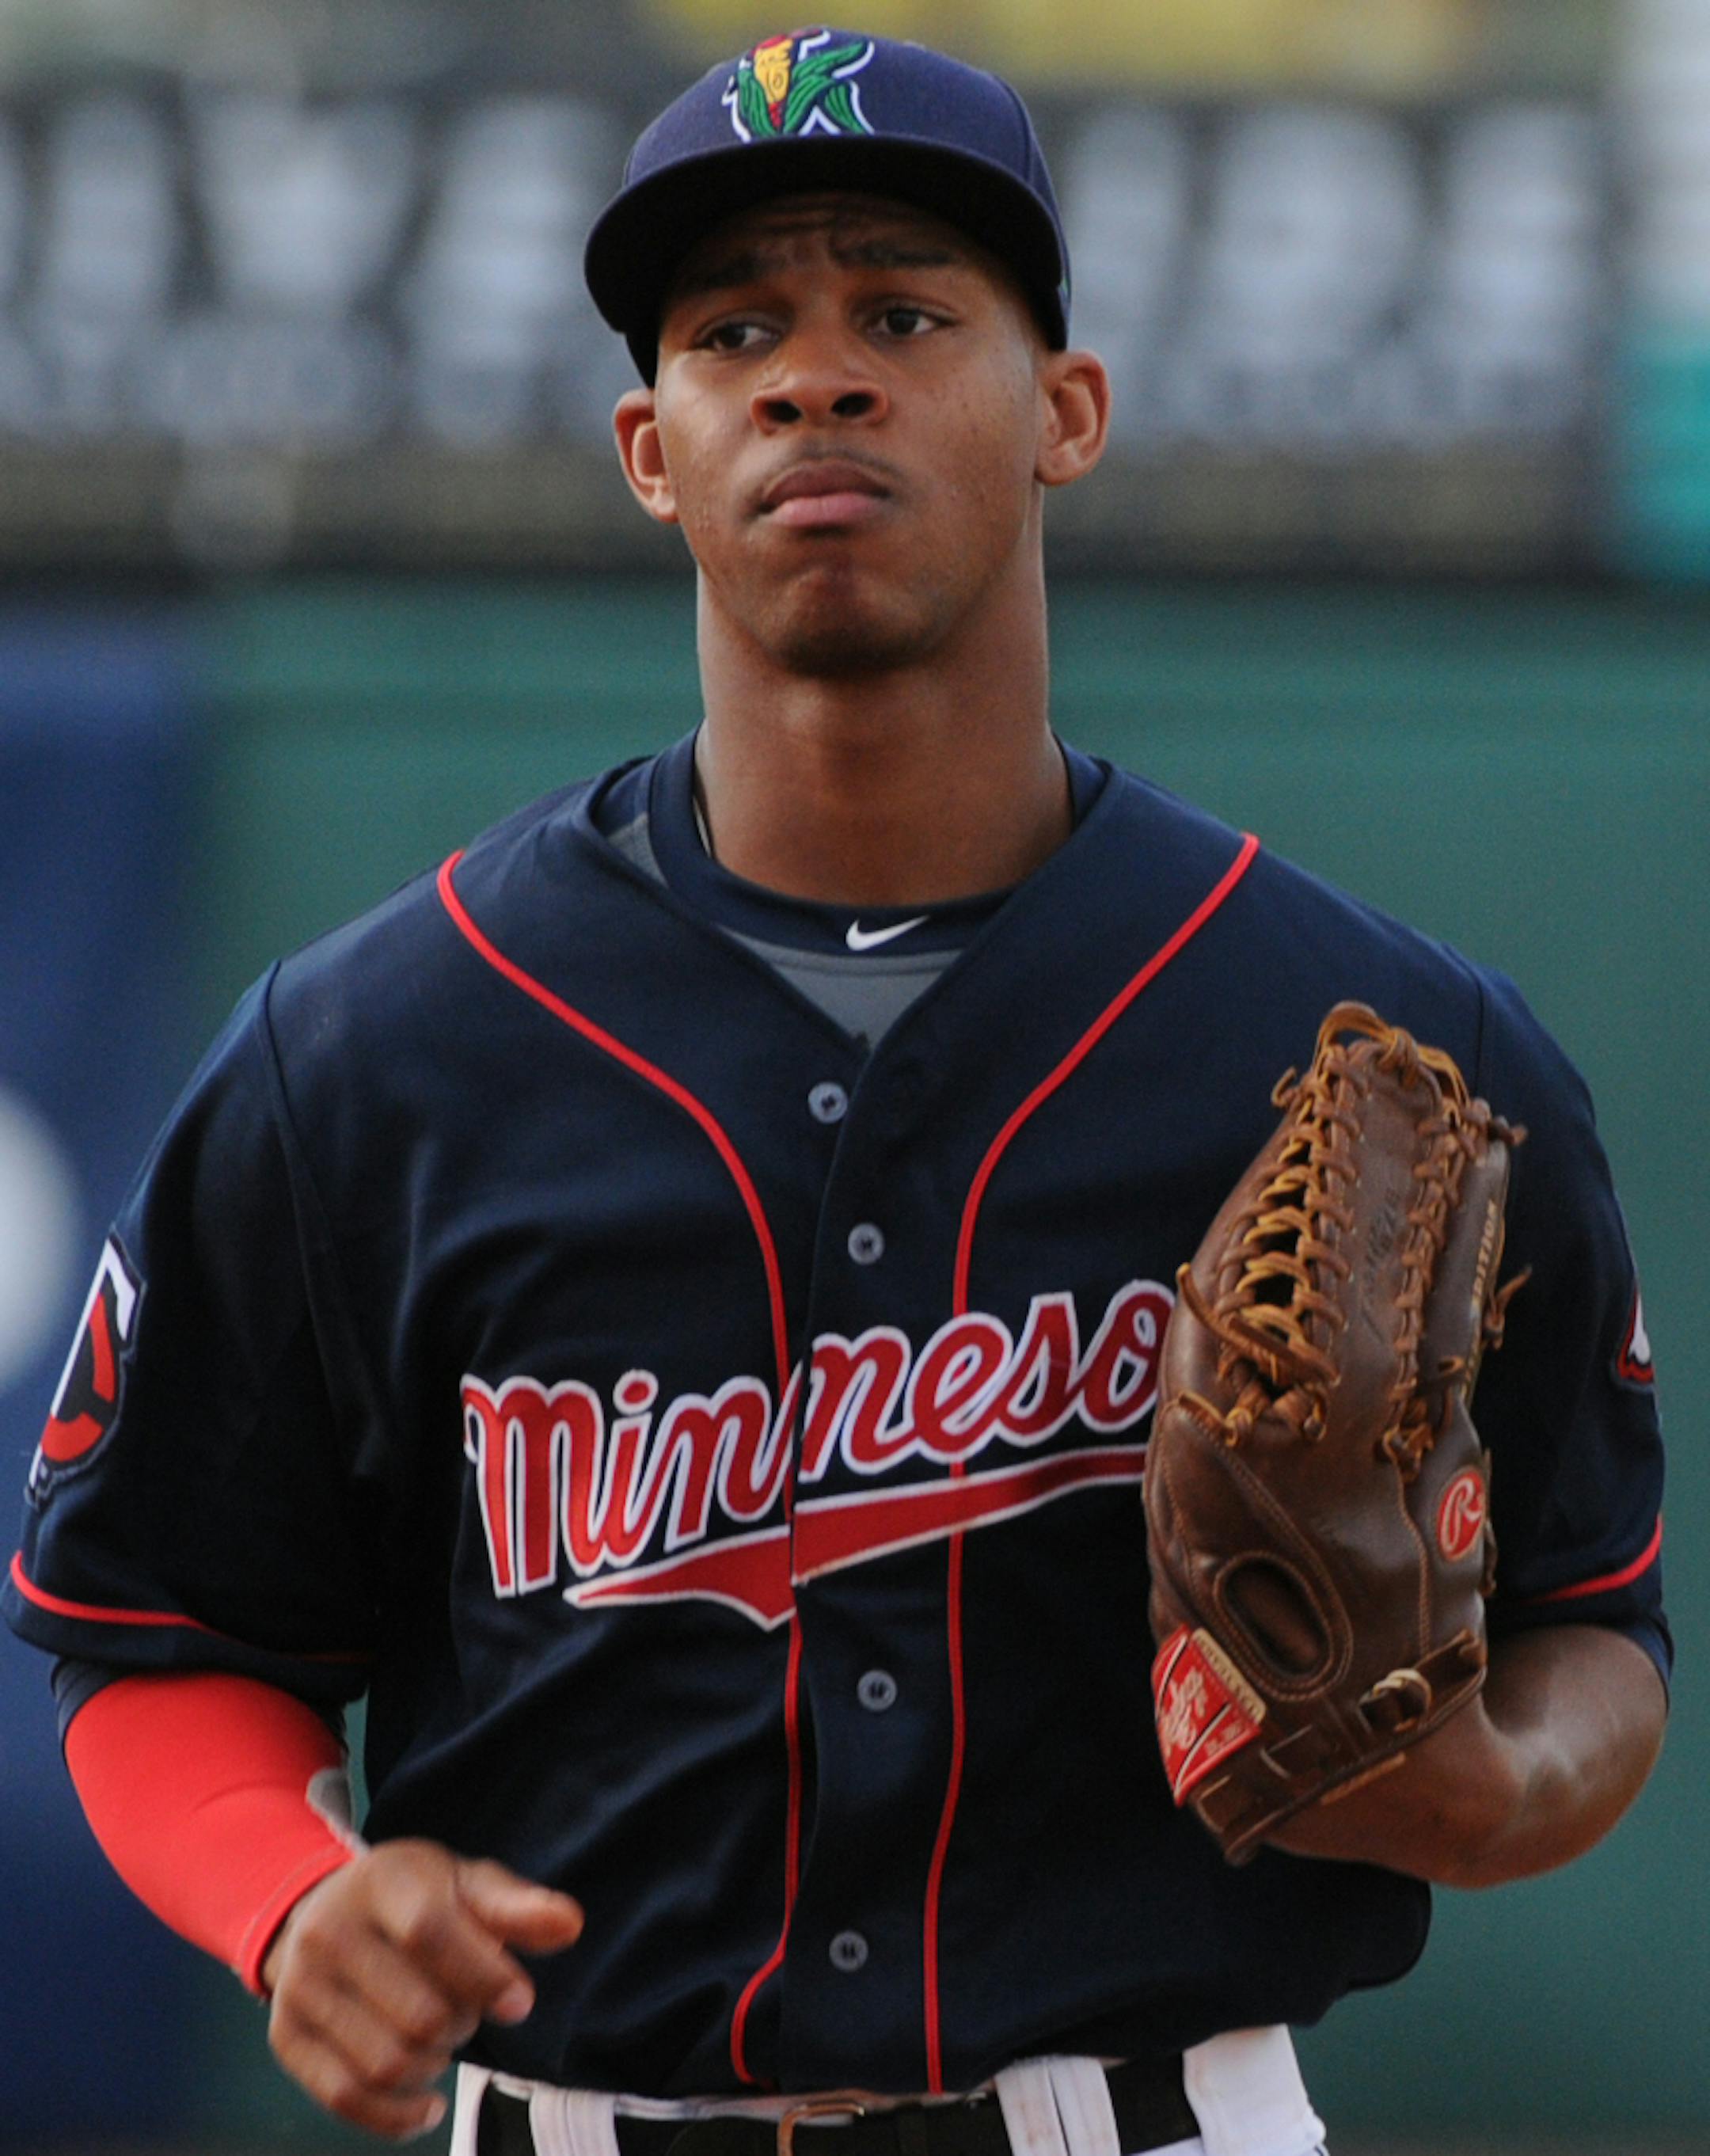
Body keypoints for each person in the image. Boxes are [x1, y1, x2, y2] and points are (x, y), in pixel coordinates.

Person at [5, 28, 1669, 2156]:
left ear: (1067, 407)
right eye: (734, 331)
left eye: (901, 308)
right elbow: (158, 1629)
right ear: (648, 443)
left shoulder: (1369, 1032)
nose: (813, 375)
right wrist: (295, 1892)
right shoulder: (375, 1052)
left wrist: (1495, 1783)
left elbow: (1594, 1619)